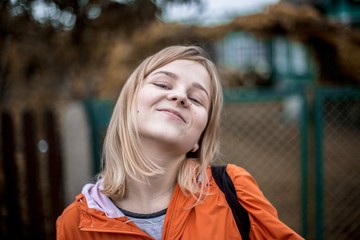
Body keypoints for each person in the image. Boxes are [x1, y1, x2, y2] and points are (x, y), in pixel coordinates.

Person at [56, 45, 304, 240]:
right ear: (129, 104)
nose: (180, 96)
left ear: (200, 138)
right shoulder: (75, 224)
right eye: (163, 84)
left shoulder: (235, 192)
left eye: (196, 99)